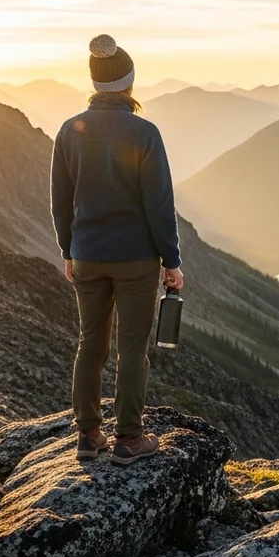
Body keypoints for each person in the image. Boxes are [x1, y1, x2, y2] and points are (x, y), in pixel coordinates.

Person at [50, 34, 184, 465]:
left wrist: (69, 252)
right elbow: (159, 203)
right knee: (131, 348)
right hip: (135, 260)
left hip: (87, 254)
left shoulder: (70, 131)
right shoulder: (144, 133)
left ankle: (88, 435)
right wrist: (172, 261)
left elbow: (60, 199)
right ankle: (129, 439)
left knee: (90, 342)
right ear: (128, 83)